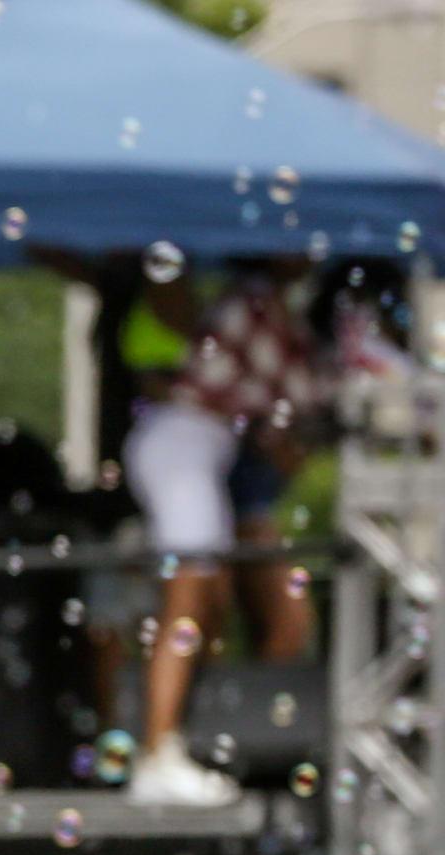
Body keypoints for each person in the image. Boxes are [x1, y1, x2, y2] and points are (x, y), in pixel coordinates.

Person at [121, 262, 321, 807]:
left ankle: (172, 748)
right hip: (185, 449)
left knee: (203, 606)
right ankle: (157, 755)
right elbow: (290, 434)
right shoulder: (263, 313)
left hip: (191, 452)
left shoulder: (257, 310)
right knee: (186, 604)